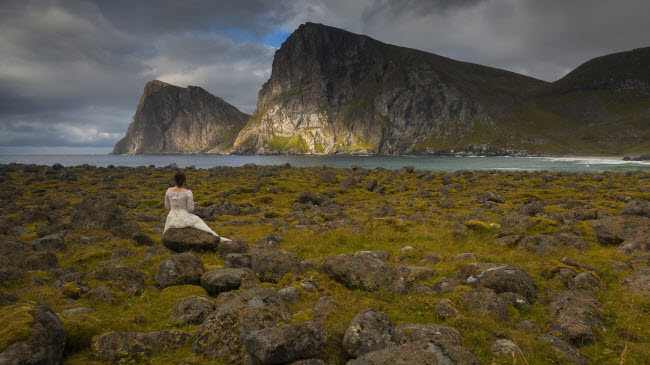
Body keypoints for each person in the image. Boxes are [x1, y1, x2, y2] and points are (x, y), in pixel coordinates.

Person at [164, 170, 230, 242]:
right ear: (184, 180)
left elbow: (167, 206)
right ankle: (216, 238)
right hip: (183, 216)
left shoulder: (168, 191)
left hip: (171, 217)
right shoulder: (188, 192)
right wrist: (193, 204)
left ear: (175, 180)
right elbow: (190, 209)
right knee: (202, 225)